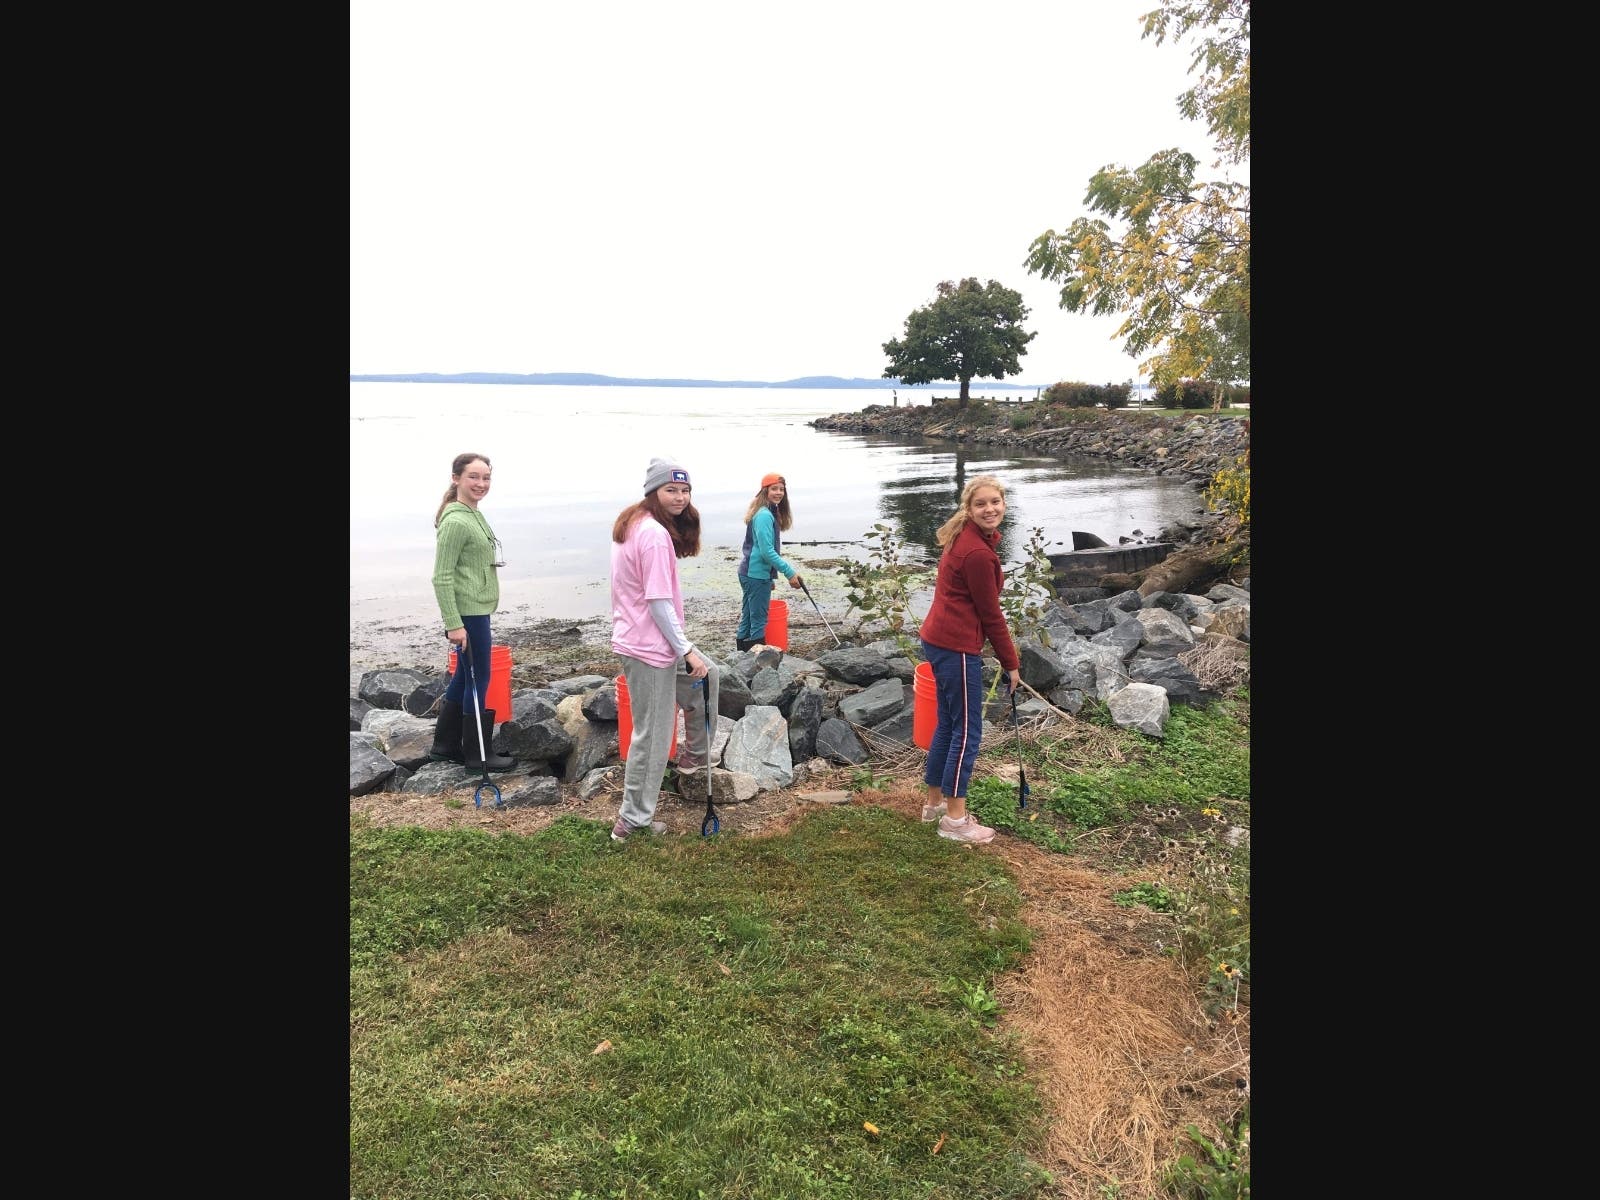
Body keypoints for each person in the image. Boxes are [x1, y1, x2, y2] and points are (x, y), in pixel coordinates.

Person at [609, 457, 720, 842]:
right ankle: (631, 821)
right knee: (653, 736)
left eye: (685, 490)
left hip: (649, 640)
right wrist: (686, 649)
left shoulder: (636, 523)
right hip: (649, 647)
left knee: (711, 676)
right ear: (653, 492)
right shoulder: (653, 534)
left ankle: (693, 755)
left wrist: (686, 651)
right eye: (671, 490)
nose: (680, 497)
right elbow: (658, 601)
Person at [916, 475, 1022, 845]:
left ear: (1004, 504)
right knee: (967, 735)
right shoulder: (976, 552)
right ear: (969, 508)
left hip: (939, 640)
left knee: (948, 725)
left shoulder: (968, 538)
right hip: (957, 647)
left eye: (996, 502)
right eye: (982, 504)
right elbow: (991, 614)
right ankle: (956, 821)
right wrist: (1011, 662)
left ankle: (934, 806)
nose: (990, 509)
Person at [428, 452, 515, 772]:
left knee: (465, 675)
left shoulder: (471, 513)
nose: (481, 484)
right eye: (473, 477)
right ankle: (478, 756)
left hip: (476, 607)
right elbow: (441, 576)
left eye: (486, 478)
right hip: (467, 612)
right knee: (480, 677)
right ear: (456, 479)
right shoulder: (455, 521)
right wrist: (454, 624)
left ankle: (445, 747)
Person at [734, 472, 804, 652]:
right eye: (774, 489)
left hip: (750, 573)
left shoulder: (766, 511)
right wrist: (789, 573)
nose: (778, 493)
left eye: (781, 489)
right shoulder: (764, 515)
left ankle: (741, 657)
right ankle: (757, 663)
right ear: (765, 491)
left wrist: (770, 577)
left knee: (749, 616)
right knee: (758, 620)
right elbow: (766, 552)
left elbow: (758, 549)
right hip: (755, 575)